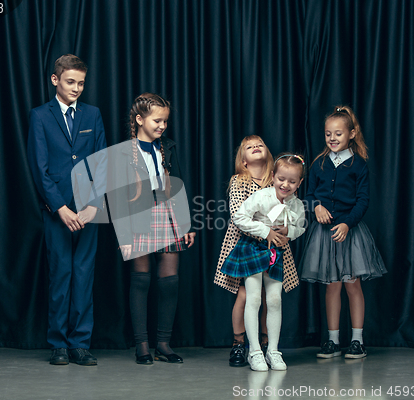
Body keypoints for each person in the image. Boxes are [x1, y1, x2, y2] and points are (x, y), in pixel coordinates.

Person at [27, 54, 107, 365]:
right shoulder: (40, 116)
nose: (76, 88)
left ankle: (80, 344)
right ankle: (58, 343)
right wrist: (59, 207)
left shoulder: (93, 114)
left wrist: (93, 206)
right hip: (57, 211)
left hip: (88, 211)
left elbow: (101, 163)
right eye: (70, 82)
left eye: (81, 83)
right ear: (55, 80)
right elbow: (39, 167)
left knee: (84, 275)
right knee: (60, 275)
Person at [111, 93, 196, 365]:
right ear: (139, 119)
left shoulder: (167, 147)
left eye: (165, 121)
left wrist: (186, 223)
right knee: (141, 278)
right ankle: (142, 346)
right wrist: (123, 234)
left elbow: (178, 184)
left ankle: (163, 344)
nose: (162, 126)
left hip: (167, 214)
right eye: (157, 120)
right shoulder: (124, 151)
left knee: (170, 281)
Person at [299, 105, 387, 359]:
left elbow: (362, 200)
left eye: (338, 133)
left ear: (351, 133)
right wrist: (315, 207)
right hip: (324, 235)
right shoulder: (319, 164)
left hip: (350, 233)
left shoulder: (359, 165)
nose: (333, 138)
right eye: (328, 134)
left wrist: (348, 223)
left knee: (352, 285)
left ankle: (357, 340)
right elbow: (310, 195)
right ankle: (332, 340)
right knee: (332, 287)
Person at [214, 136, 298, 367]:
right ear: (243, 160)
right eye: (249, 147)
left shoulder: (278, 179)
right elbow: (238, 214)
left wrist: (287, 229)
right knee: (246, 294)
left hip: (276, 245)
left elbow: (291, 212)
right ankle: (239, 343)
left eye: (260, 144)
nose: (255, 147)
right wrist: (266, 231)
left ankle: (266, 344)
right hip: (246, 243)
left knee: (269, 295)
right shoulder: (239, 181)